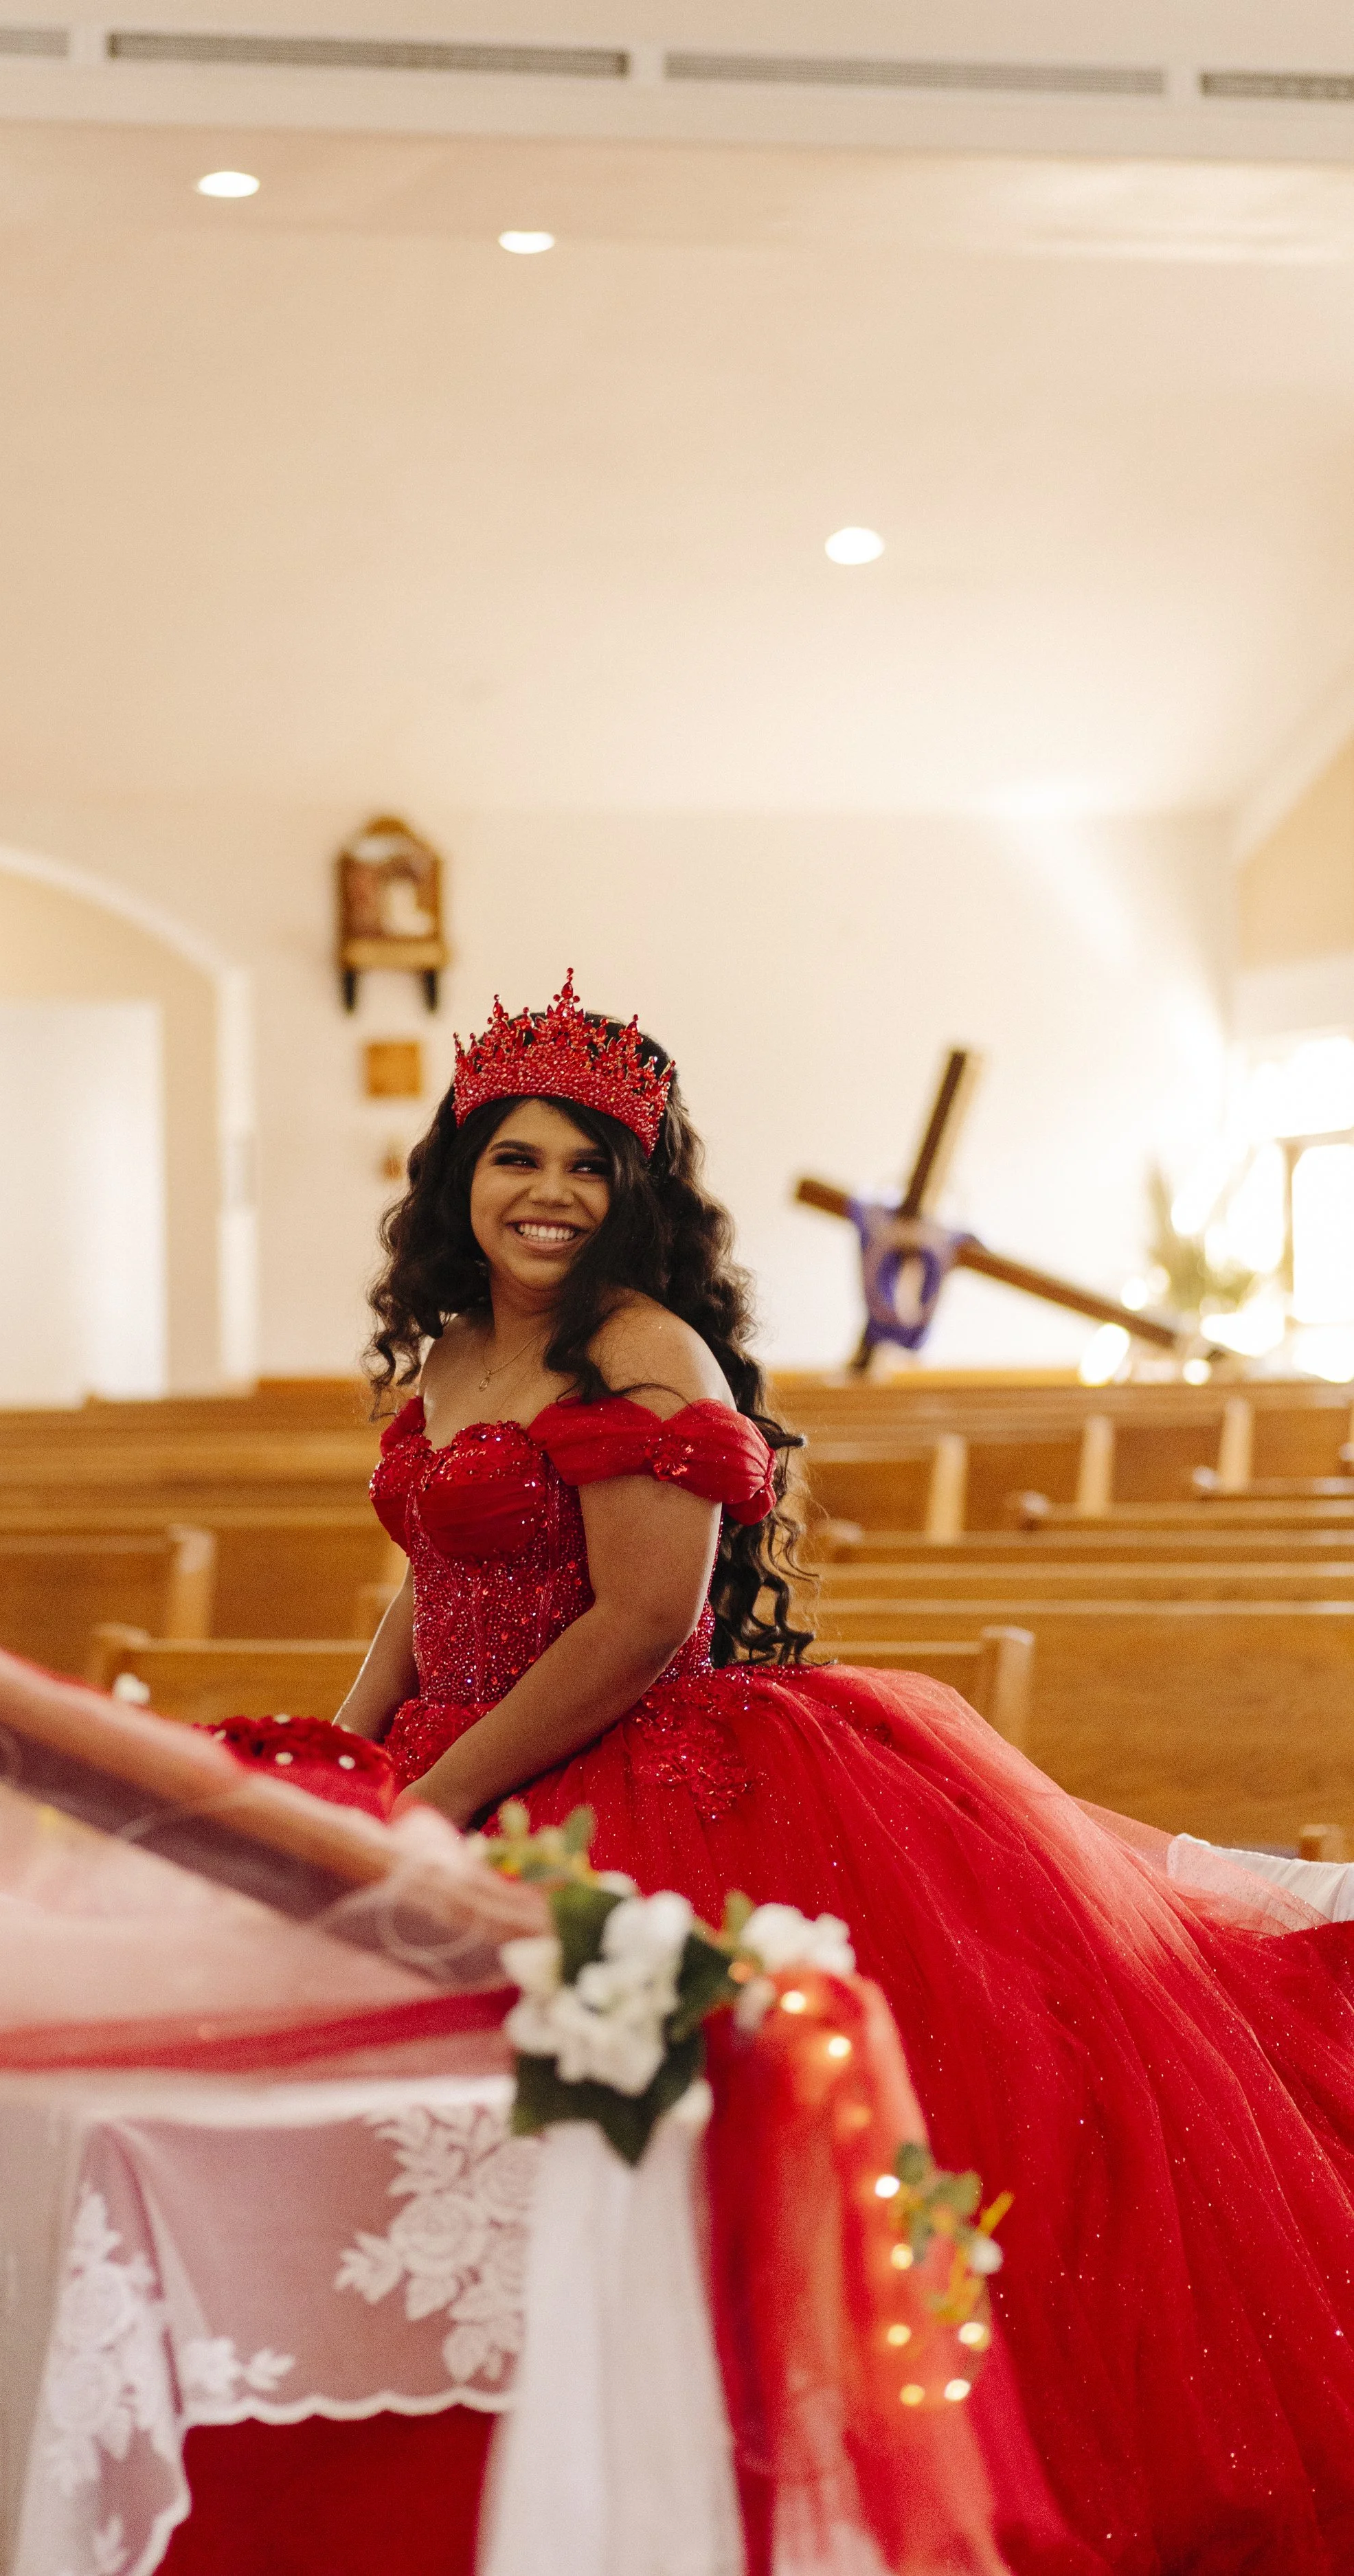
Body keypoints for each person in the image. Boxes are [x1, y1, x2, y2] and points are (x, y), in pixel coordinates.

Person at [337, 972, 1354, 2576]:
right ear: (457, 1176)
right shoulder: (453, 1346)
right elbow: (423, 1579)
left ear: (637, 1190)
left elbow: (638, 1626)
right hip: (457, 1768)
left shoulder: (639, 1352)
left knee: (698, 2167)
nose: (548, 1195)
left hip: (637, 1779)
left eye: (588, 1165)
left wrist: (439, 1796)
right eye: (515, 1157)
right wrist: (341, 1759)